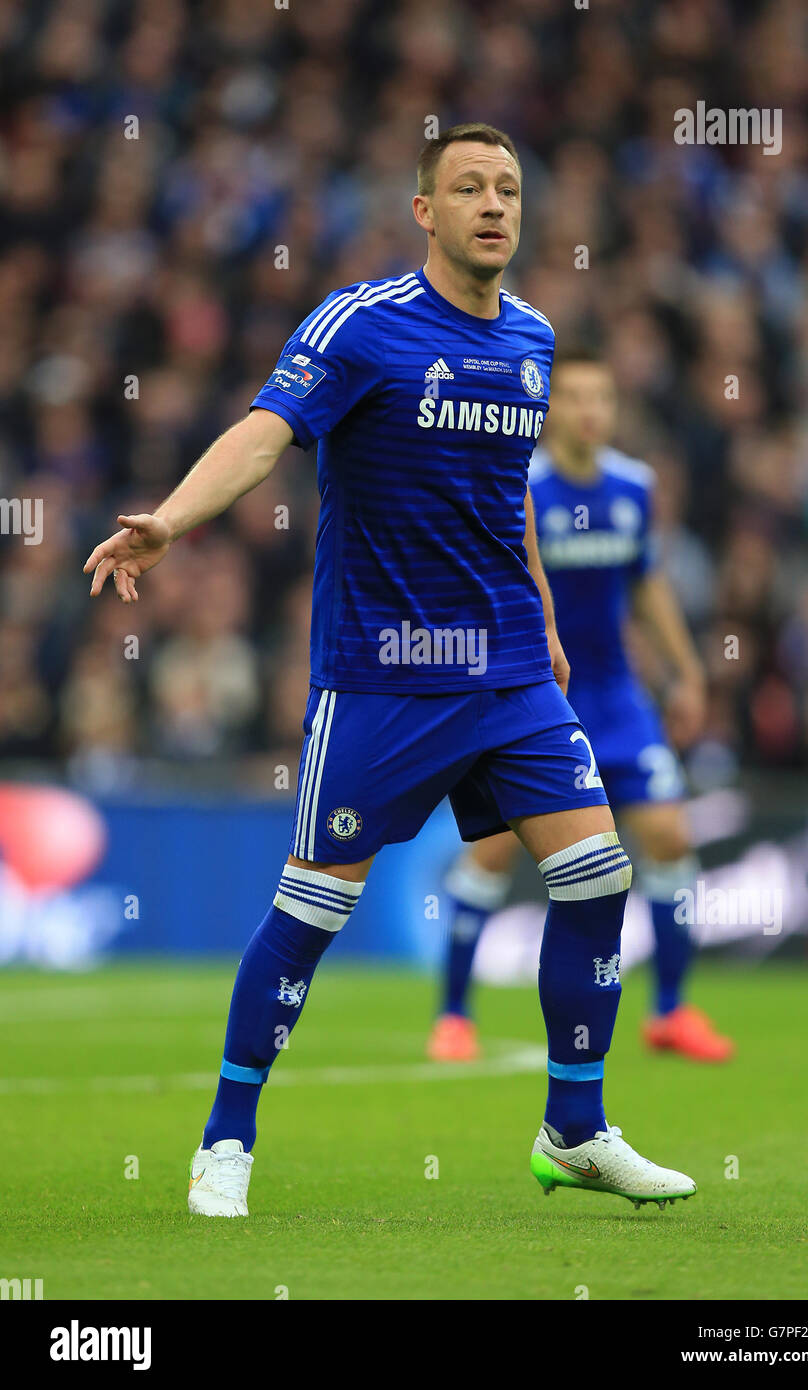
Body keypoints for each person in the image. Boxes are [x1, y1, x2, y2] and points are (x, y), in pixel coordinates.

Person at [84, 124, 696, 1217]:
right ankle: (227, 1137)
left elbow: (507, 498)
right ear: (424, 210)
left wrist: (545, 622)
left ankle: (573, 1124)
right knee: (311, 909)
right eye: (467, 187)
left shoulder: (535, 341)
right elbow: (266, 433)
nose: (492, 204)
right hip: (384, 673)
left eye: (508, 187)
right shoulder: (361, 326)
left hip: (509, 669)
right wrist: (171, 521)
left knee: (597, 877)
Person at [429, 349, 734, 1066]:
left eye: (603, 398)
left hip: (620, 699)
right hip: (536, 696)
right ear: (550, 409)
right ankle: (452, 1015)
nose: (591, 411)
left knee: (669, 837)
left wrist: (687, 673)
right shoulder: (521, 486)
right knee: (494, 850)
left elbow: (648, 584)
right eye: (575, 398)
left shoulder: (635, 486)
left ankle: (671, 1010)